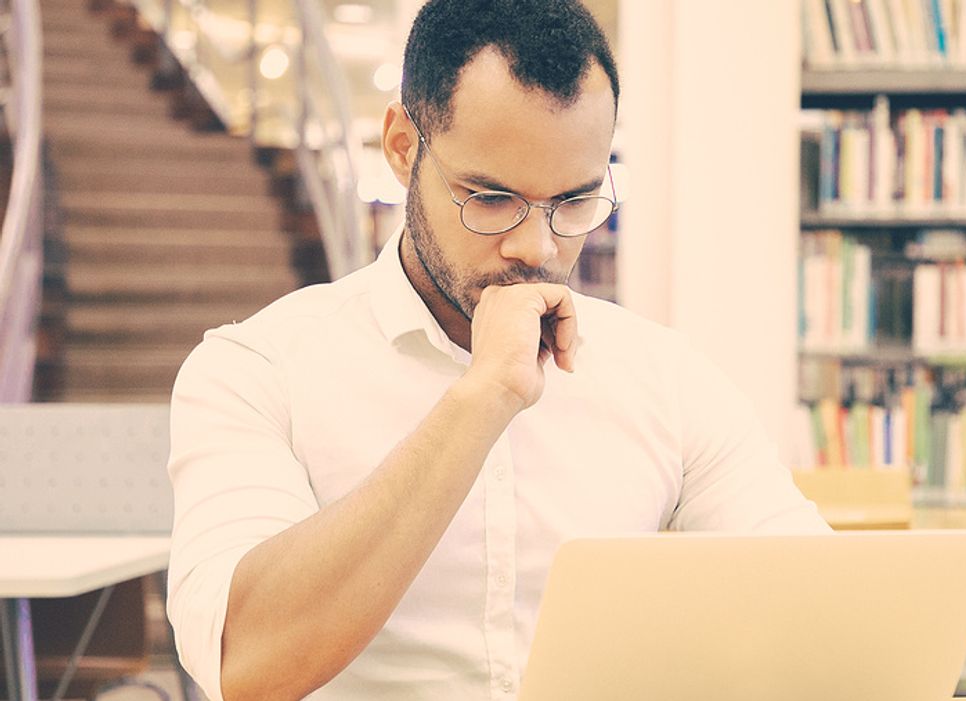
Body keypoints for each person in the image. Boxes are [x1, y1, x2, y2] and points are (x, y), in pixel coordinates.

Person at [165, 1, 830, 699]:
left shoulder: (665, 378)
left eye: (573, 202)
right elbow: (246, 661)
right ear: (402, 147)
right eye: (489, 198)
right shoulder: (256, 369)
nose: (536, 248)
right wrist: (482, 399)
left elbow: (818, 608)